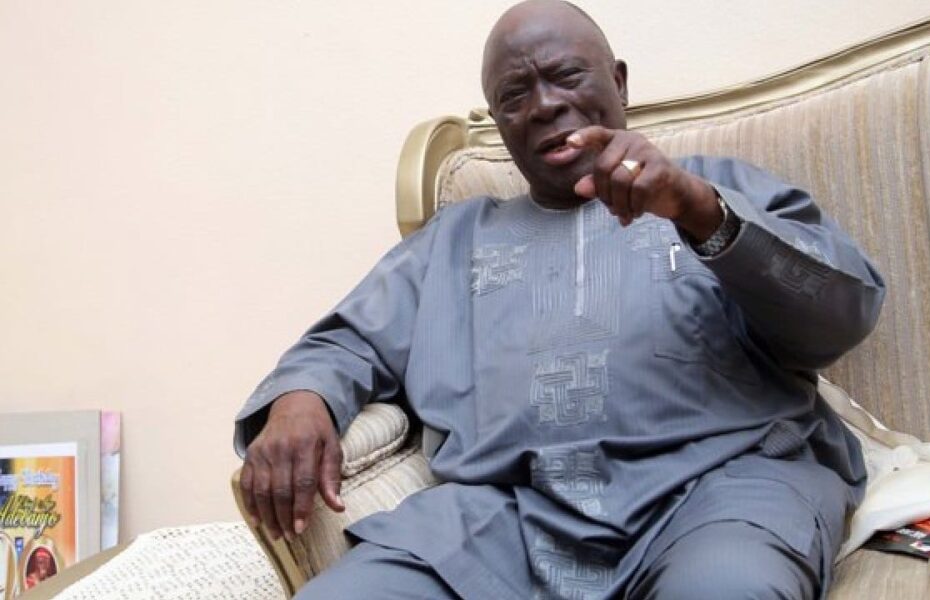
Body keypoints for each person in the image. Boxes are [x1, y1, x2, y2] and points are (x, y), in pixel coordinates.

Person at [234, 1, 885, 598]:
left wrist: (697, 210)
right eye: (515, 96)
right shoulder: (452, 242)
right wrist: (301, 402)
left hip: (721, 490)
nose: (545, 105)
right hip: (508, 518)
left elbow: (839, 315)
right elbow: (346, 342)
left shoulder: (712, 189)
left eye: (567, 76)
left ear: (619, 83)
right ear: (500, 123)